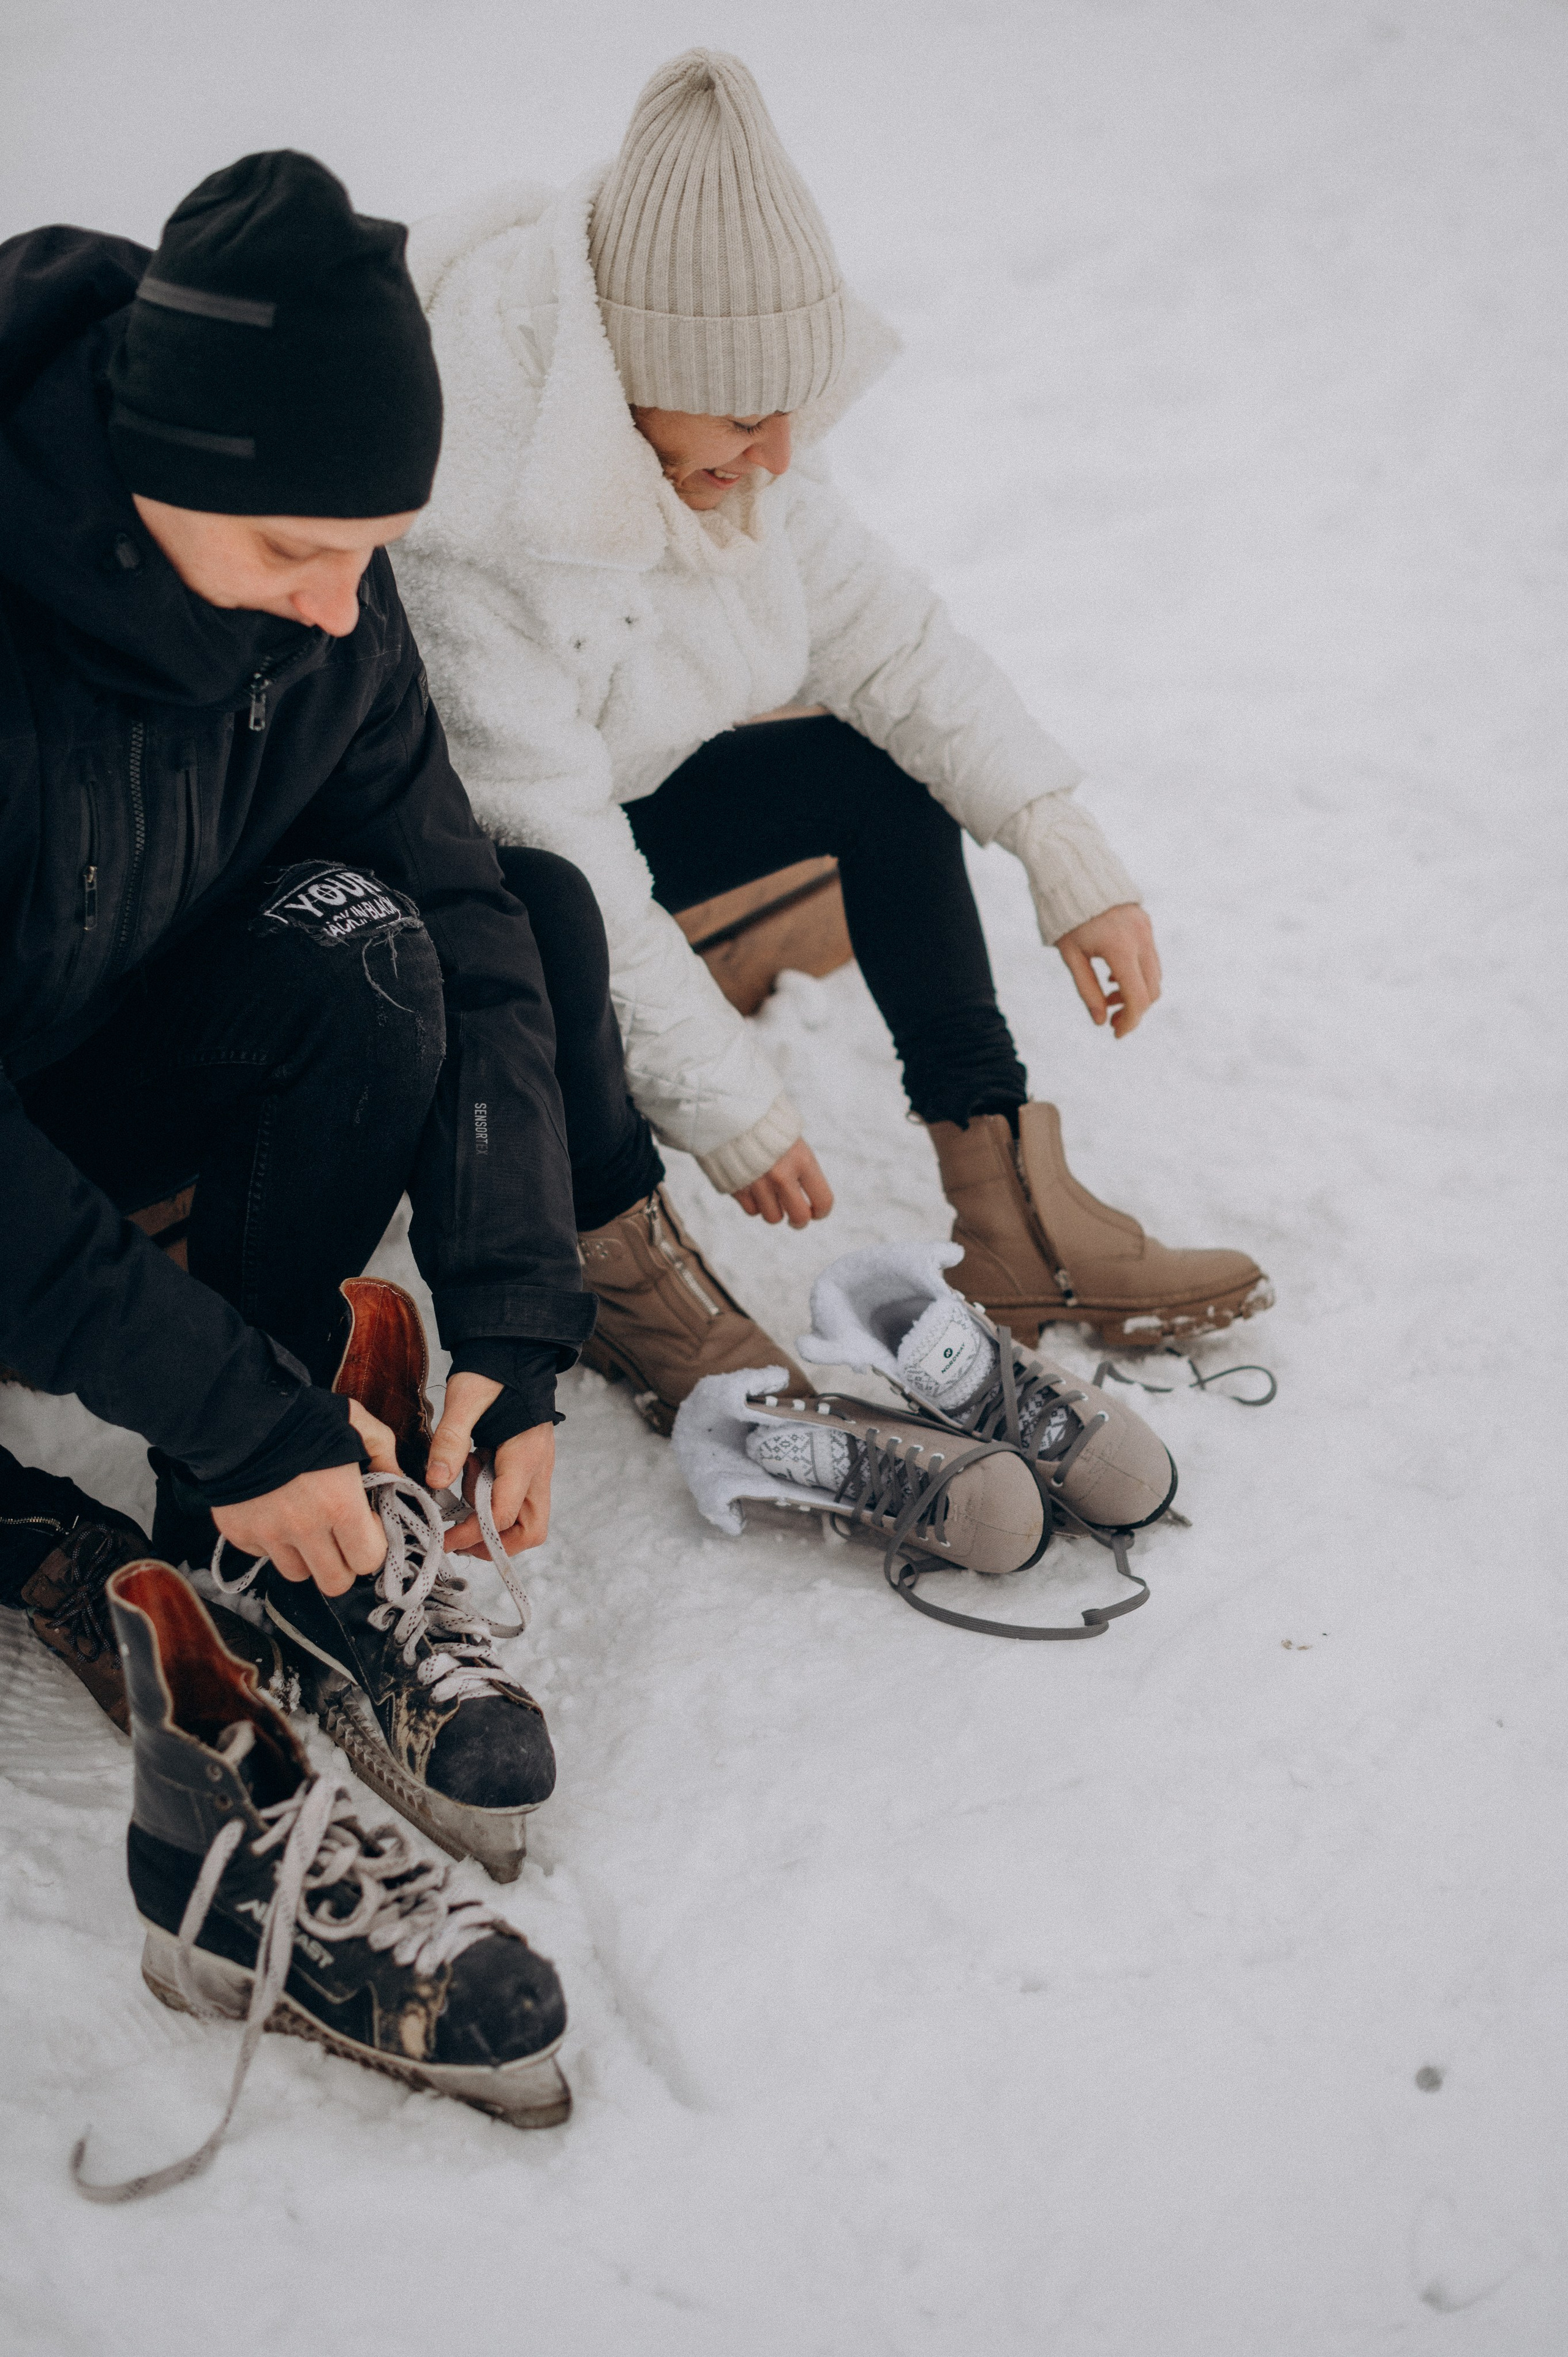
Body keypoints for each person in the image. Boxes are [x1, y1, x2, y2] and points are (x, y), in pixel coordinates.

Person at [0, 149, 778, 1806]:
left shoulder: (327, 608)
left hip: (90, 1060)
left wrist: (512, 1311)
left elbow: (464, 912)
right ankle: (79, 1505)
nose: (342, 604)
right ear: (153, 465)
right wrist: (228, 1405)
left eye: (374, 550)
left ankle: (266, 1519)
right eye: (301, 548)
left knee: (382, 940)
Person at [394, 50, 1273, 1427]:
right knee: (553, 907)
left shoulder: (709, 424)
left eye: (789, 414)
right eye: (748, 420)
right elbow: (551, 832)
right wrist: (728, 1102)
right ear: (630, 376)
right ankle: (623, 1271)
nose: (780, 457)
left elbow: (888, 638)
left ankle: (1012, 1216)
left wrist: (1054, 834)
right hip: (459, 878)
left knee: (876, 770)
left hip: (604, 801)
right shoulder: (475, 507)